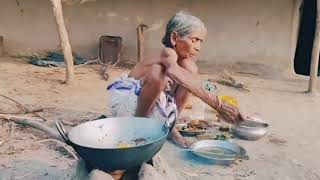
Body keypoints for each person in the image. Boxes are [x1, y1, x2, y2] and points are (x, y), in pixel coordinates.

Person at [107, 11, 245, 148]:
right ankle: (137, 130)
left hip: (153, 108)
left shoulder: (183, 62)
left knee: (190, 70)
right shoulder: (167, 52)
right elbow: (173, 71)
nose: (198, 47)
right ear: (174, 38)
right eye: (194, 40)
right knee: (158, 73)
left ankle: (171, 126)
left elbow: (185, 79)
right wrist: (218, 104)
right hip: (129, 107)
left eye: (201, 41)